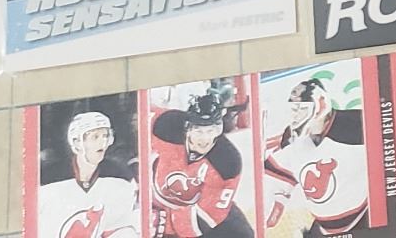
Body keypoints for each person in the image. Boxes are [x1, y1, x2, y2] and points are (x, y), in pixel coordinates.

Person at [262, 78, 370, 237]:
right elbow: (276, 178)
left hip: (365, 220)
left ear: (321, 106)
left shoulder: (358, 124)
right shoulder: (290, 139)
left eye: (302, 109)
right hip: (323, 229)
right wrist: (275, 203)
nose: (296, 116)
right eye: (293, 109)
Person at [151, 86, 253, 238]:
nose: (204, 139)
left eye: (210, 131)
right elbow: (138, 119)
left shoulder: (227, 162)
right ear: (187, 128)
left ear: (219, 130)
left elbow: (205, 218)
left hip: (195, 221)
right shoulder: (166, 126)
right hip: (153, 208)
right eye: (199, 131)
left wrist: (167, 227)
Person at [38, 109, 138, 238]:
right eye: (95, 137)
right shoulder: (50, 177)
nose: (102, 142)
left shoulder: (120, 175)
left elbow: (124, 225)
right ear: (76, 142)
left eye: (105, 136)